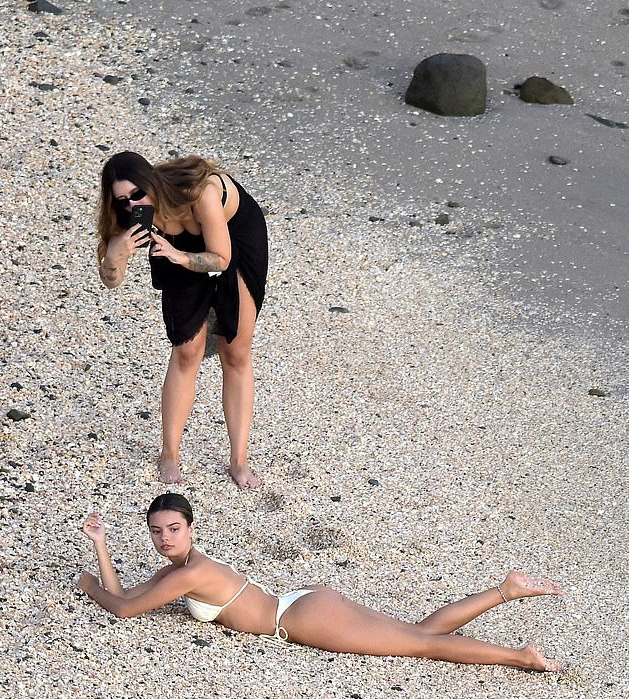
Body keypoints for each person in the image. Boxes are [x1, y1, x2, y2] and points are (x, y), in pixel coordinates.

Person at [77, 494, 564, 671]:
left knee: (421, 646)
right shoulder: (180, 570)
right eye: (157, 532)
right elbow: (124, 596)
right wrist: (100, 543)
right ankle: (506, 590)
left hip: (301, 616)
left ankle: (520, 656)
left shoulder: (193, 573)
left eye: (173, 529)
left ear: (190, 528)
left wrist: (85, 585)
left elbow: (119, 608)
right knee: (420, 631)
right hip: (303, 600)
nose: (165, 538)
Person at [96, 152, 268, 488]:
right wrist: (114, 256)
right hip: (174, 247)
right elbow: (111, 281)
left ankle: (238, 460)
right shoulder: (133, 217)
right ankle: (169, 454)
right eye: (122, 201)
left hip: (234, 239)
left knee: (235, 351)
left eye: (137, 194)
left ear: (152, 184)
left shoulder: (198, 193)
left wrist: (177, 256)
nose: (133, 205)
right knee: (187, 352)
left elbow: (220, 257)